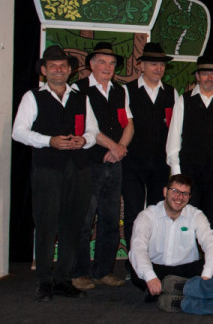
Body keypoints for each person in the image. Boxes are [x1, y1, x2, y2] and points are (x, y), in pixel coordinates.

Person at [12, 45, 99, 301]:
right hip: (47, 170)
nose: (58, 70)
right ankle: (43, 281)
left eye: (63, 66)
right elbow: (18, 132)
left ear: (70, 70)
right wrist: (49, 141)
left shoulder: (81, 97)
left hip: (79, 169)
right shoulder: (32, 97)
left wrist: (84, 140)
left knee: (73, 225)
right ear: (44, 70)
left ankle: (63, 279)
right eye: (53, 66)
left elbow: (93, 131)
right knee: (46, 225)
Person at [72, 42, 133, 291]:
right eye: (102, 62)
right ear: (91, 64)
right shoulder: (78, 89)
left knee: (111, 219)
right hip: (89, 163)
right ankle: (79, 273)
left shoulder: (120, 91)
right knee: (84, 220)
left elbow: (129, 123)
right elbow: (87, 128)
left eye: (111, 63)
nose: (107, 67)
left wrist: (121, 148)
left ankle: (103, 271)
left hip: (115, 164)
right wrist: (113, 147)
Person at [165, 55, 213, 232]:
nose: (210, 78)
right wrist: (176, 173)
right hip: (189, 172)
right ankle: (187, 250)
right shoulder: (184, 100)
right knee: (187, 218)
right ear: (197, 76)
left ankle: (211, 251)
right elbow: (174, 137)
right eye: (205, 74)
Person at [128, 174, 213, 301]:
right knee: (136, 270)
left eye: (185, 194)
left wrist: (205, 277)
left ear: (189, 197)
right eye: (175, 191)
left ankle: (166, 292)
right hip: (158, 270)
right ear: (165, 192)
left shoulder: (196, 215)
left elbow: (212, 244)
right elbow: (138, 248)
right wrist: (151, 277)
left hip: (187, 270)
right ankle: (187, 291)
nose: (180, 197)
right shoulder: (147, 216)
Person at [122, 42, 177, 256]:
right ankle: (135, 260)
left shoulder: (171, 93)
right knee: (134, 214)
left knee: (157, 213)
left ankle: (154, 259)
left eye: (161, 64)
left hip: (160, 164)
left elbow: (175, 130)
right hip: (132, 163)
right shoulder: (126, 91)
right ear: (141, 65)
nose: (158, 68)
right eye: (153, 64)